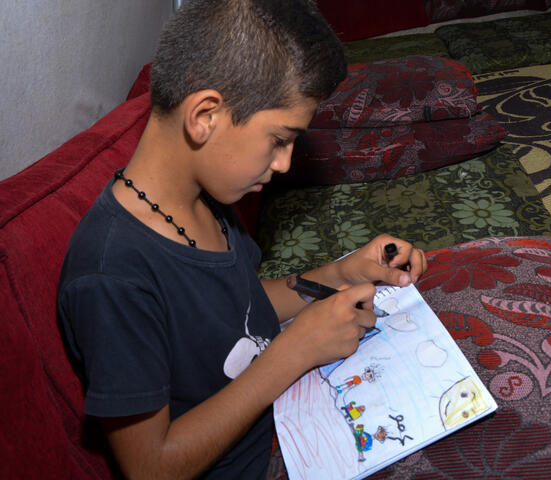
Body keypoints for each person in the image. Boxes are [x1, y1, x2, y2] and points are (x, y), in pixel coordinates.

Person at [57, 0, 427, 478]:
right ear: (205, 116)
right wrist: (291, 356)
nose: (284, 164)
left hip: (294, 418)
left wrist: (341, 271)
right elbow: (151, 468)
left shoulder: (204, 195)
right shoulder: (112, 275)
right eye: (279, 139)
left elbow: (237, 310)